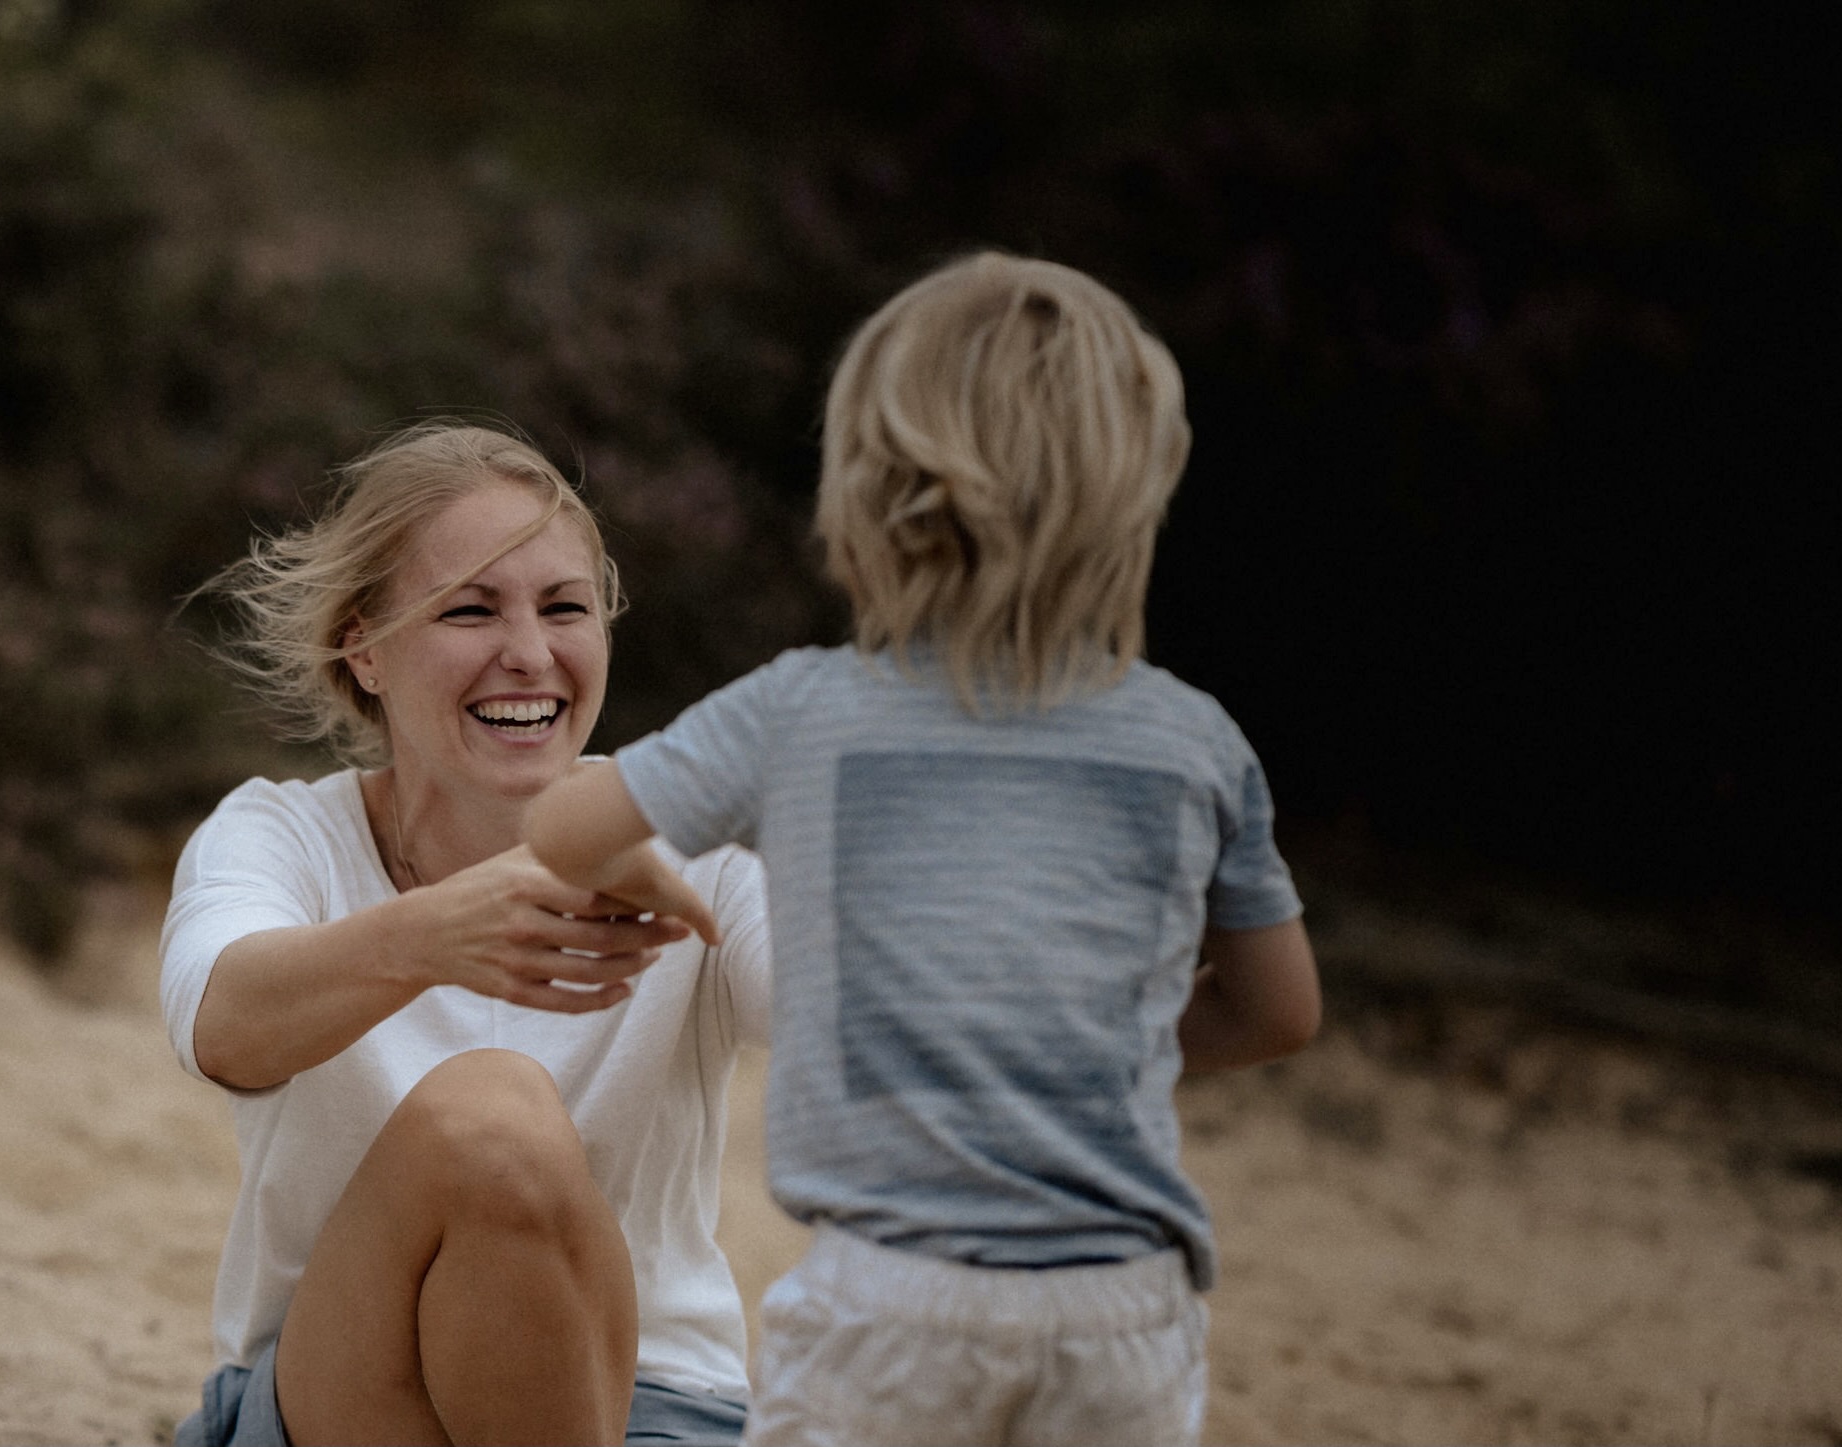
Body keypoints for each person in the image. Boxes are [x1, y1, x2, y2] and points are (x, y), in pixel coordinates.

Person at [523, 252, 1323, 1447]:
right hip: (1125, 1305)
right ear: (1138, 494)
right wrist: (1068, 1058)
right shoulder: (1196, 742)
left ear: (866, 491)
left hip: (892, 1297)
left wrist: (641, 873)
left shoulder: (802, 709)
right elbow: (1279, 1011)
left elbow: (560, 828)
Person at [160, 421, 771, 1447]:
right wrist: (438, 932)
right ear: (364, 647)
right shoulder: (279, 837)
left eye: (564, 607)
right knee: (489, 1120)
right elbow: (221, 1021)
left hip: (652, 1410)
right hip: (340, 1399)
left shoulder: (698, 841)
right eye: (471, 609)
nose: (529, 654)